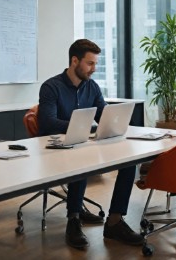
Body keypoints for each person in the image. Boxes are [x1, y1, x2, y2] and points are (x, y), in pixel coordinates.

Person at [37, 39, 143, 250]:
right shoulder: (51, 87)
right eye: (90, 63)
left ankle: (114, 221)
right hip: (53, 150)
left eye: (96, 64)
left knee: (128, 161)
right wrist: (82, 127)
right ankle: (74, 219)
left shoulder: (91, 87)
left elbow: (104, 113)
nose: (94, 69)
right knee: (82, 159)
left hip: (82, 144)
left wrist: (116, 122)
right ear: (74, 61)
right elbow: (47, 122)